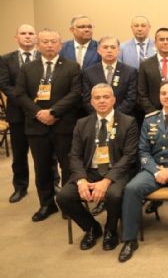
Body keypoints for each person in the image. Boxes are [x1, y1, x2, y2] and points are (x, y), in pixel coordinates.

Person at [118, 81, 168, 262]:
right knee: (131, 188)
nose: (167, 96)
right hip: (154, 168)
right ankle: (130, 240)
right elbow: (143, 150)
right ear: (159, 96)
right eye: (163, 93)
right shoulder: (149, 119)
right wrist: (156, 171)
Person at [57, 83, 139, 251]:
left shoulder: (128, 122)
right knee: (64, 196)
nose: (102, 101)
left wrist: (107, 181)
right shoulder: (82, 123)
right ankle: (92, 228)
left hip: (117, 171)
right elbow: (74, 155)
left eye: (106, 97)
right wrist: (81, 180)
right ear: (91, 102)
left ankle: (111, 230)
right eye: (97, 98)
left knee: (114, 195)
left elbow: (129, 156)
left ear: (113, 100)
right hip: (90, 171)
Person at [15, 28, 82, 222]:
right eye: (45, 42)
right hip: (36, 126)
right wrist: (38, 113)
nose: (49, 45)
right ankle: (46, 204)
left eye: (53, 41)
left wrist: (54, 112)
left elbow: (75, 93)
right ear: (38, 45)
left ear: (60, 45)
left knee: (68, 166)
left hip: (64, 124)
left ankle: (69, 204)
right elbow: (20, 94)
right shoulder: (28, 68)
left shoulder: (72, 67)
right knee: (42, 167)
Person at [0, 24, 38, 203]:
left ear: (36, 37)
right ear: (16, 37)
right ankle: (20, 187)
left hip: (41, 113)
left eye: (31, 33)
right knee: (19, 153)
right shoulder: (5, 59)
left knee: (46, 154)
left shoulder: (44, 57)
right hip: (17, 113)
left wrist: (36, 107)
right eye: (23, 33)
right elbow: (5, 84)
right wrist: (26, 102)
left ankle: (53, 184)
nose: (27, 36)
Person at [81, 36, 137, 116]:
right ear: (98, 50)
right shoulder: (89, 72)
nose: (109, 50)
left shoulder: (130, 71)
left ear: (118, 50)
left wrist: (114, 116)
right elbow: (87, 99)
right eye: (105, 47)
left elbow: (130, 98)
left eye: (113, 47)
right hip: (97, 117)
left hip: (122, 118)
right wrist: (101, 115)